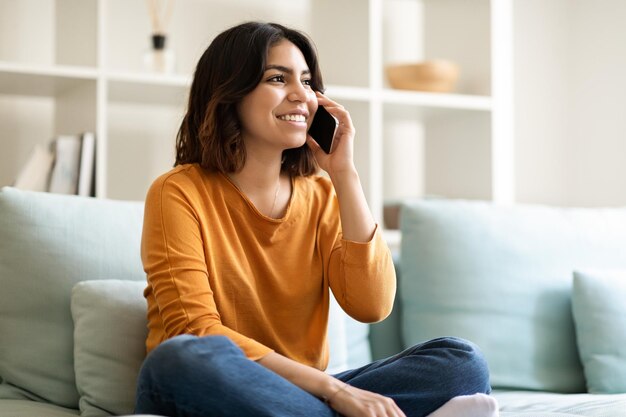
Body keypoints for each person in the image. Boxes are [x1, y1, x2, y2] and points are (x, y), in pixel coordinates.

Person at [135, 21, 492, 417]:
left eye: (306, 81)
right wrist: (334, 391)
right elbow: (196, 330)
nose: (300, 95)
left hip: (296, 399)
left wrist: (344, 173)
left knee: (461, 362)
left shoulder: (320, 195)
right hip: (205, 382)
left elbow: (371, 306)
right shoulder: (178, 191)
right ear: (229, 93)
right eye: (277, 78)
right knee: (183, 357)